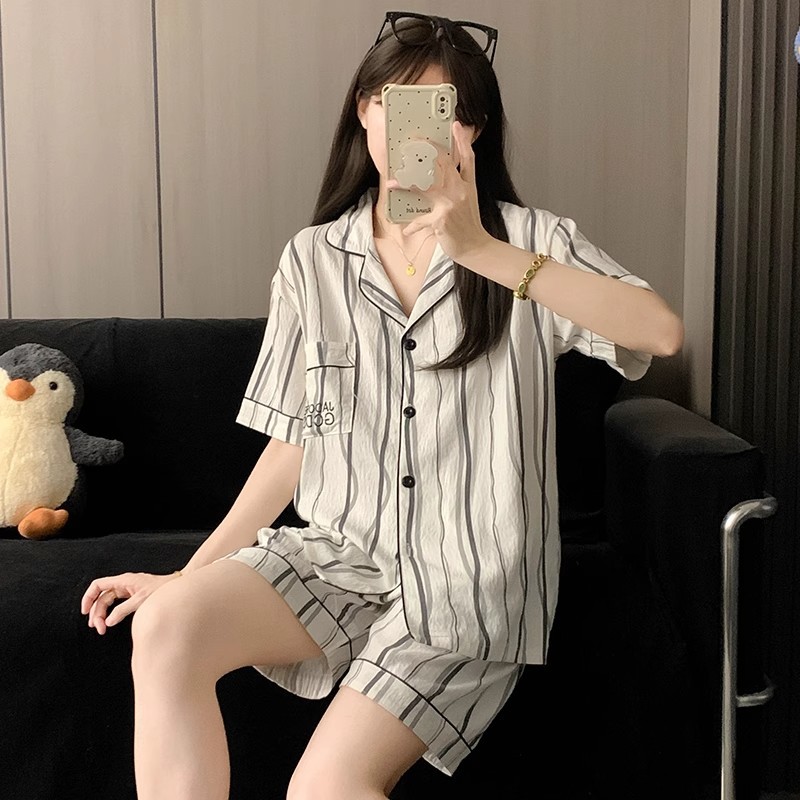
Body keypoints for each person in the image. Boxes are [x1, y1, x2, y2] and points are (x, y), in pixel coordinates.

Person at [80, 10, 684, 800]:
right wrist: (188, 578)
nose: (413, 131)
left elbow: (659, 331)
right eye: (393, 103)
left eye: (440, 109)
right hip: (338, 557)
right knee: (169, 625)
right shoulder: (313, 259)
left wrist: (483, 252)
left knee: (325, 787)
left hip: (469, 583)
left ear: (471, 128)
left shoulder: (528, 240)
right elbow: (295, 443)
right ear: (363, 111)